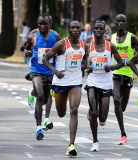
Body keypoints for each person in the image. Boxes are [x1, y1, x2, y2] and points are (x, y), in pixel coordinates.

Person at [43, 20, 87, 156]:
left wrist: (86, 66)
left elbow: (85, 61)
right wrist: (56, 72)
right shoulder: (61, 44)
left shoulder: (84, 45)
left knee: (74, 110)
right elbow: (45, 59)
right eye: (72, 28)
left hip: (75, 82)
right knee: (61, 113)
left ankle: (71, 145)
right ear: (68, 30)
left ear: (80, 30)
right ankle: (52, 92)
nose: (75, 30)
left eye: (77, 28)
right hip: (60, 83)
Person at [85, 19, 124, 152]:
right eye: (96, 28)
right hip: (92, 82)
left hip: (106, 83)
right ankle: (95, 141)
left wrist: (111, 67)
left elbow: (121, 63)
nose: (98, 31)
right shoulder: (88, 45)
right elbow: (83, 62)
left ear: (104, 31)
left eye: (101, 29)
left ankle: (98, 117)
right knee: (94, 112)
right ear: (93, 30)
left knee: (102, 117)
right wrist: (87, 67)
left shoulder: (110, 46)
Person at [24, 13, 61, 141]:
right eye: (40, 24)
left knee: (46, 97)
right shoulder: (33, 37)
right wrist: (27, 52)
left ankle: (32, 93)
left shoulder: (55, 36)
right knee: (40, 95)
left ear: (50, 24)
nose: (42, 26)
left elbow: (61, 51)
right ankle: (39, 127)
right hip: (36, 70)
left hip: (50, 71)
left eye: (45, 24)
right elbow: (25, 48)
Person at [111, 14, 138, 145]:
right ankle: (123, 134)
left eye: (123, 21)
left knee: (121, 108)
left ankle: (120, 121)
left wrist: (133, 61)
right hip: (115, 73)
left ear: (126, 23)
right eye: (119, 21)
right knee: (116, 99)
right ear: (115, 23)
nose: (121, 23)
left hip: (128, 74)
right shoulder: (111, 38)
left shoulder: (132, 37)